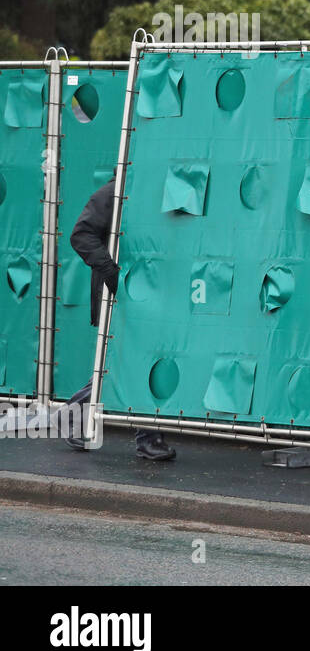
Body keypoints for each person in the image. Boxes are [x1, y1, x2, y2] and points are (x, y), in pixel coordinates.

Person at [64, 176, 176, 460]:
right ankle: (147, 437)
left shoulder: (155, 187)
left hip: (147, 295)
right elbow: (81, 235)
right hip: (122, 297)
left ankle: (76, 414)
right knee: (128, 362)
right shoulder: (116, 191)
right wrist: (114, 276)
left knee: (134, 363)